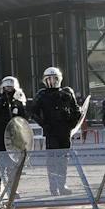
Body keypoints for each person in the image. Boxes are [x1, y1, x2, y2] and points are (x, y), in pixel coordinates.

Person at [31, 66, 80, 195]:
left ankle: (62, 185)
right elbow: (33, 112)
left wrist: (72, 123)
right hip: (51, 131)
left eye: (55, 78)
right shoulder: (42, 94)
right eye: (49, 79)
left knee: (63, 160)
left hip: (65, 131)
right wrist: (43, 124)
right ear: (45, 80)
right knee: (52, 160)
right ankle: (54, 187)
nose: (52, 81)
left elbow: (76, 110)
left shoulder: (67, 92)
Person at [0, 76, 28, 199]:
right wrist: (3, 100)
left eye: (11, 88)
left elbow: (23, 118)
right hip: (0, 139)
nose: (9, 90)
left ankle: (12, 190)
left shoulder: (17, 102)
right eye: (7, 87)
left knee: (12, 167)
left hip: (13, 139)